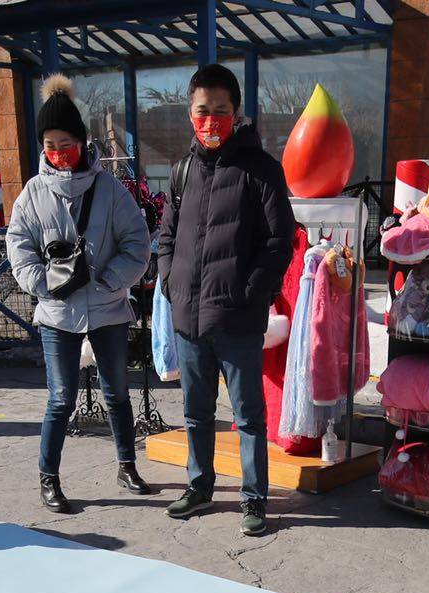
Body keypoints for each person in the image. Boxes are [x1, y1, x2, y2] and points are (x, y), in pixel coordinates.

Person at [156, 63, 297, 537]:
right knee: (196, 412)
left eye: (221, 110)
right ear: (189, 114)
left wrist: (251, 291)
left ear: (235, 113)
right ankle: (199, 486)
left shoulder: (261, 169)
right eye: (202, 110)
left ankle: (254, 497)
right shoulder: (182, 171)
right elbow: (167, 235)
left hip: (237, 319)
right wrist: (168, 281)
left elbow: (282, 239)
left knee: (248, 417)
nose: (211, 119)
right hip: (189, 319)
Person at [6, 75, 154, 514]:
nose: (59, 152)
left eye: (66, 142)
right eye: (50, 144)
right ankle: (48, 477)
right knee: (60, 399)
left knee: (117, 394)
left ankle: (126, 465)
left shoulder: (110, 189)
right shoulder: (32, 195)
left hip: (109, 309)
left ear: (82, 141)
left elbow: (138, 243)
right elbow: (19, 247)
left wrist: (111, 280)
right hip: (56, 315)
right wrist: (43, 284)